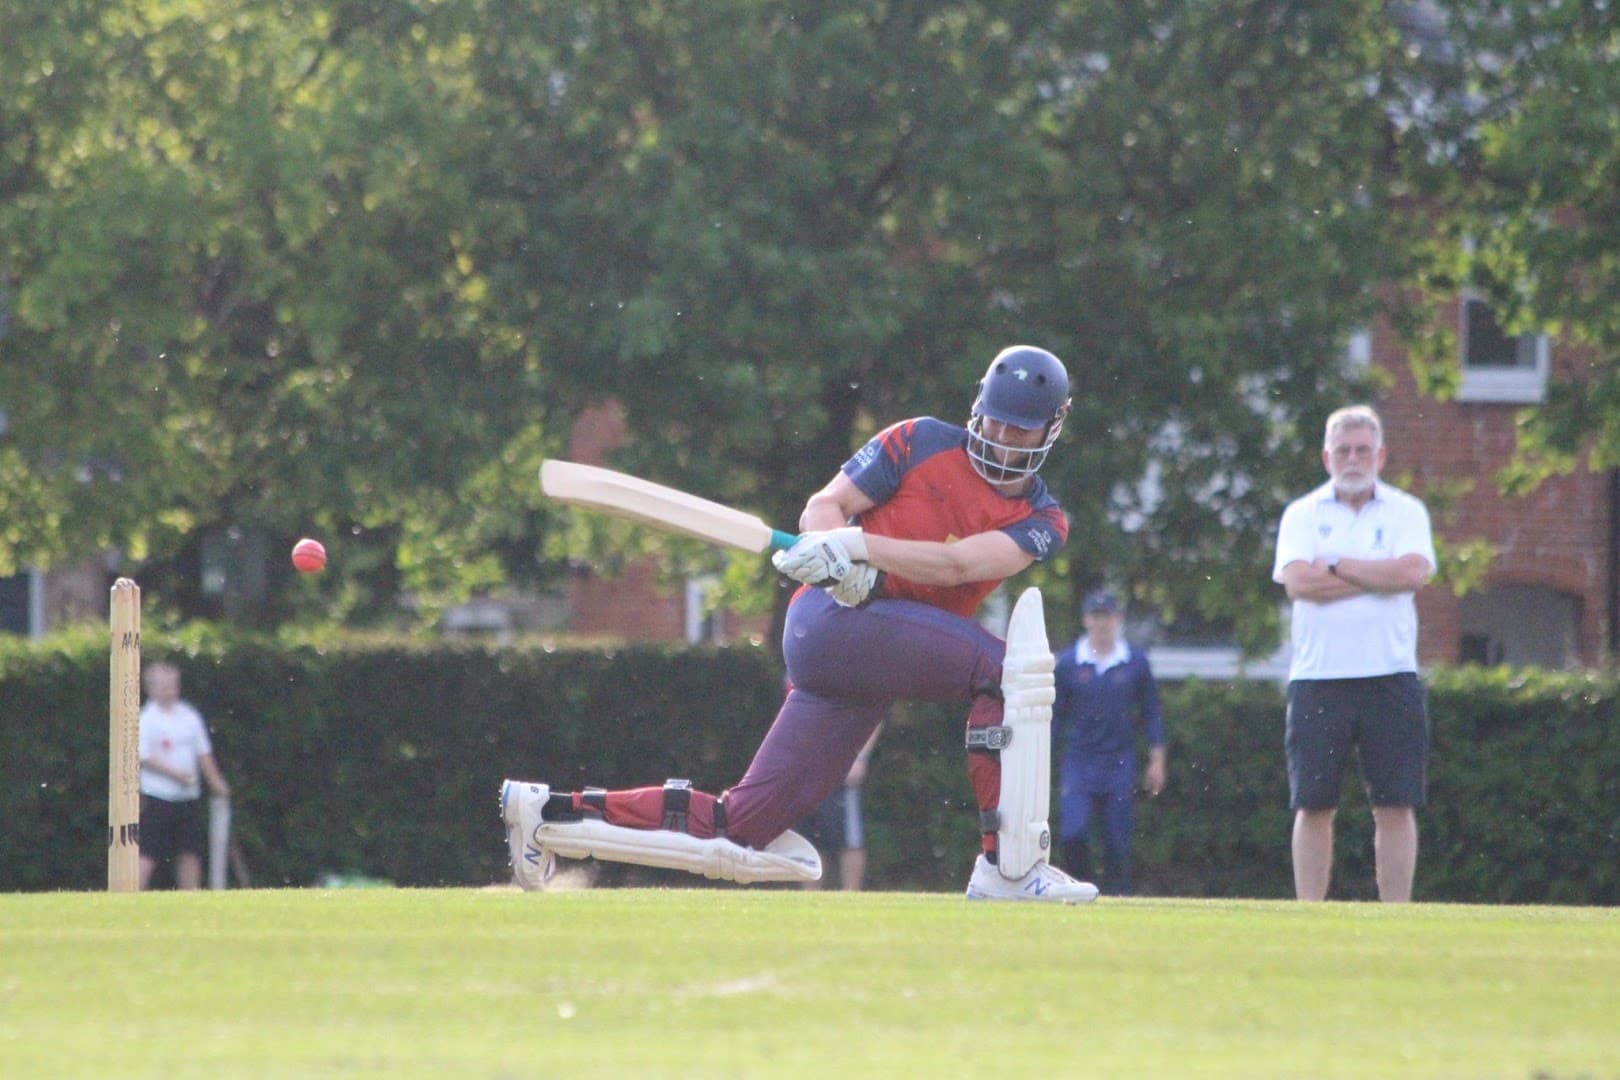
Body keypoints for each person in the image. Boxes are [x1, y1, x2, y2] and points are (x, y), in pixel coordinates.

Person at [502, 344, 1099, 902]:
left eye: (1018, 428)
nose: (999, 436)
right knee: (1003, 671)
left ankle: (549, 814)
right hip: (834, 620)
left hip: (868, 665)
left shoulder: (1042, 518)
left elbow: (959, 562)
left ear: (1055, 425)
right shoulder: (917, 440)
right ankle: (1008, 870)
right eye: (994, 420)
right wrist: (829, 549)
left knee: (742, 826)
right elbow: (826, 503)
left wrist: (862, 550)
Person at [1272, 404, 1436, 902]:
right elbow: (1300, 583)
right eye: (1343, 450)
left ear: (1381, 455)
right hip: (1318, 677)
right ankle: (1309, 912)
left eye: (1363, 449)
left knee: (1395, 803)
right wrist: (1375, 576)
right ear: (1326, 457)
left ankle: (1397, 913)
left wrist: (1339, 565)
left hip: (1390, 676)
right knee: (1314, 804)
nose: (1353, 459)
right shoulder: (1302, 514)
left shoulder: (1407, 512)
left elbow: (1412, 574)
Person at [1051, 588, 1166, 895]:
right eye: (1096, 616)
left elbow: (1151, 712)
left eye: (1108, 616)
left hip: (1119, 761)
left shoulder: (1135, 663)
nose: (1102, 623)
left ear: (1117, 620)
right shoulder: (1068, 664)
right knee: (1073, 833)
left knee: (1117, 840)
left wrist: (1157, 759)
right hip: (1080, 760)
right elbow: (1056, 718)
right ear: (1086, 620)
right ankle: (1078, 890)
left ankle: (1119, 896)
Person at [137, 661, 231, 890]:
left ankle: (190, 897)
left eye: (173, 685)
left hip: (187, 797)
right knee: (147, 852)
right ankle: (131, 896)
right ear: (151, 689)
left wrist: (216, 782)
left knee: (190, 853)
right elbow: (143, 756)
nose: (171, 691)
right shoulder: (146, 719)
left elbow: (203, 753)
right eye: (165, 686)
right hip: (157, 797)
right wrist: (175, 774)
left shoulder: (189, 716)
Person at [796, 727, 879, 891]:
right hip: (810, 768)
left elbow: (874, 716)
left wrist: (860, 758)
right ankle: (810, 899)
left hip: (843, 765)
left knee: (850, 839)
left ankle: (851, 897)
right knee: (811, 839)